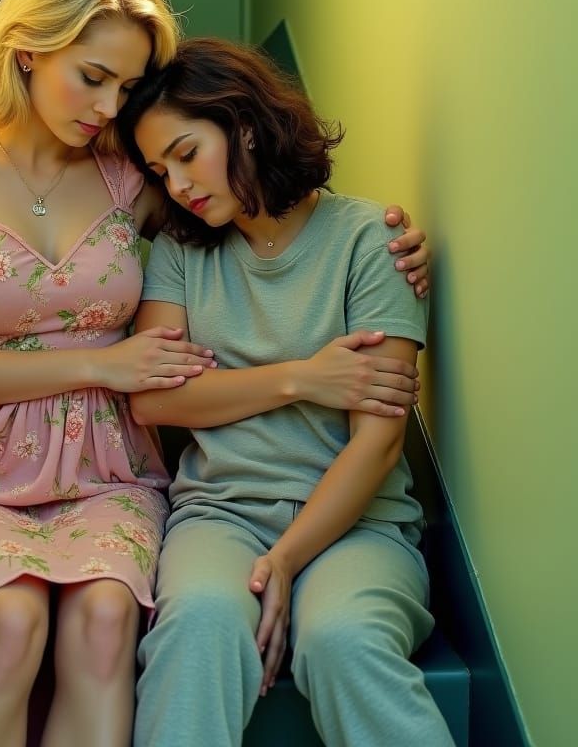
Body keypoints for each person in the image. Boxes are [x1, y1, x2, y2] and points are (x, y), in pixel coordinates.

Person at [0, 0, 431, 747]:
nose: (108, 107)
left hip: (111, 468)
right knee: (13, 623)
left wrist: (394, 243)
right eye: (94, 77)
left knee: (105, 623)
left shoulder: (136, 181)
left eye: (126, 88)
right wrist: (106, 362)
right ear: (27, 48)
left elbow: (262, 205)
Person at [118, 37, 454, 747]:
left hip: (361, 526)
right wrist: (303, 377)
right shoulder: (179, 252)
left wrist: (286, 560)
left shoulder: (373, 242)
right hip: (220, 515)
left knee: (342, 639)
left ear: (243, 125)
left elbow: (378, 442)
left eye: (186, 154)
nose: (177, 185)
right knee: (198, 626)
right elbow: (156, 400)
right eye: (159, 171)